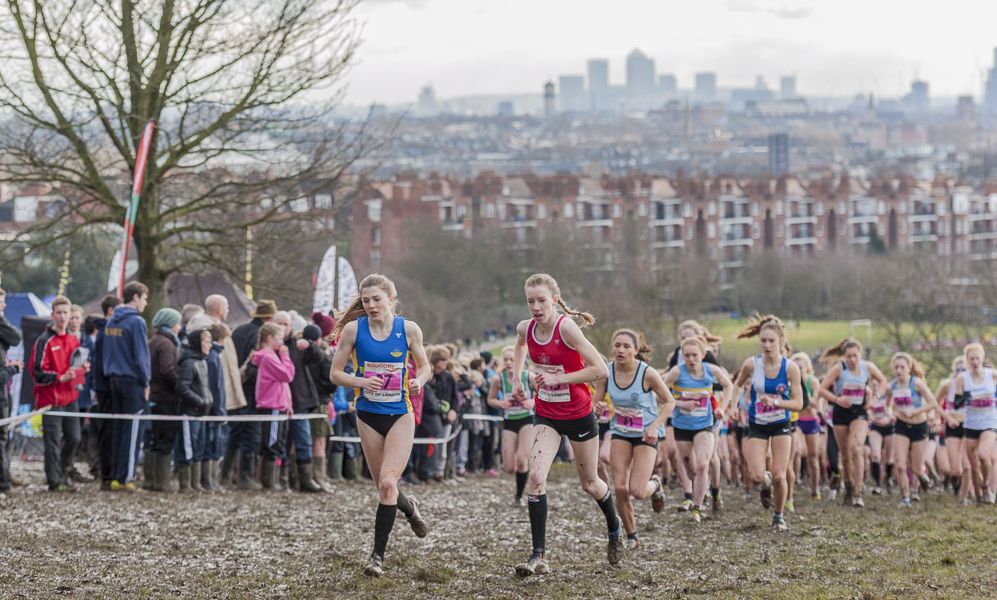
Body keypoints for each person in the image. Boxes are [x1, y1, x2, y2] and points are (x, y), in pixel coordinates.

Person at [508, 273, 619, 578]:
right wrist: (517, 377)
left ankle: (614, 527)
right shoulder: (525, 328)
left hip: (579, 415)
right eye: (530, 301)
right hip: (547, 415)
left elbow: (600, 369)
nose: (536, 307)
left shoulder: (566, 328)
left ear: (555, 300)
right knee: (536, 478)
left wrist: (560, 378)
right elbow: (519, 346)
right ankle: (538, 555)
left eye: (542, 300)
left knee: (590, 484)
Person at [329, 274, 431, 578]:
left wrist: (419, 381)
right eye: (366, 300)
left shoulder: (409, 330)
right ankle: (409, 508)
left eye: (377, 299)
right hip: (367, 413)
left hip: (400, 412)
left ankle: (376, 557)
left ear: (392, 298)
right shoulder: (353, 330)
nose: (371, 305)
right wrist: (361, 380)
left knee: (388, 483)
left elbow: (424, 366)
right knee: (384, 487)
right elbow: (336, 374)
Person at [595, 329, 675, 548]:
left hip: (646, 433)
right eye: (617, 345)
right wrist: (600, 407)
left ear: (636, 350)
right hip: (620, 431)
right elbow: (597, 405)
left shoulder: (647, 373)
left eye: (626, 346)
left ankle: (656, 484)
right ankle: (632, 536)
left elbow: (669, 402)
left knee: (637, 491)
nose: (620, 350)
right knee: (620, 488)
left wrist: (655, 426)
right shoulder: (606, 372)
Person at [733, 315, 804, 532]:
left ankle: (778, 515)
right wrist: (734, 406)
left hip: (781, 424)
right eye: (763, 340)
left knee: (780, 474)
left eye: (771, 341)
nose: (766, 345)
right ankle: (765, 484)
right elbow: (736, 386)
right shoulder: (751, 364)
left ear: (780, 341)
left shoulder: (790, 368)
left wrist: (775, 401)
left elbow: (799, 403)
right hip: (757, 424)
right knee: (756, 475)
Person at [662, 336, 733, 522]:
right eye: (687, 356)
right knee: (692, 469)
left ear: (703, 355)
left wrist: (722, 408)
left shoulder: (712, 370)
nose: (691, 359)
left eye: (694, 355)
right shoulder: (677, 372)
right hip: (682, 426)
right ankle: (704, 491)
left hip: (705, 425)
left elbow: (729, 386)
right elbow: (658, 394)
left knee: (703, 464)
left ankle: (697, 507)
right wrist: (679, 403)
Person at [818, 337, 888, 507]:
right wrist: (836, 398)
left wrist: (875, 398)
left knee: (857, 448)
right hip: (840, 412)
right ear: (843, 357)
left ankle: (858, 492)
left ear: (860, 355)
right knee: (846, 454)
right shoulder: (838, 369)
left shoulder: (868, 367)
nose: (852, 360)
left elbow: (883, 381)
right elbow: (821, 389)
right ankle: (848, 485)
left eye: (855, 356)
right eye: (849, 356)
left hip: (859, 412)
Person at [30, 296, 86, 492]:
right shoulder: (44, 340)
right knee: (52, 441)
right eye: (59, 313)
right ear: (53, 315)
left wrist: (81, 371)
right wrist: (58, 378)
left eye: (65, 313)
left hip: (70, 397)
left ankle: (64, 471)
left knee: (75, 437)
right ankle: (54, 480)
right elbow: (36, 372)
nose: (62, 317)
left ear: (70, 315)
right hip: (50, 399)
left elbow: (75, 366)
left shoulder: (72, 339)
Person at [103, 282, 151, 491]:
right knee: (132, 429)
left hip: (113, 378)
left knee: (119, 427)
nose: (146, 303)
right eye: (145, 298)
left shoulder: (111, 321)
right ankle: (127, 477)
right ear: (136, 297)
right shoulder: (136, 322)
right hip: (132, 380)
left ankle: (116, 475)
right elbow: (141, 355)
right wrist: (146, 380)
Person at [230, 299, 277, 490]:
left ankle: (227, 474)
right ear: (268, 318)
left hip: (237, 385)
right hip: (254, 389)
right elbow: (256, 365)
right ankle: (245, 476)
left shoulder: (239, 330)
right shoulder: (259, 335)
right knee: (252, 433)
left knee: (235, 432)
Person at [885, 352, 938, 507]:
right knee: (900, 464)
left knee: (916, 467)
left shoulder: (917, 383)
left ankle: (922, 475)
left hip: (919, 426)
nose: (899, 370)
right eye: (896, 367)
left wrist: (915, 412)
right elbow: (887, 406)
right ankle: (905, 498)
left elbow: (932, 403)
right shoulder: (891, 386)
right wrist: (891, 414)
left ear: (909, 368)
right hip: (901, 426)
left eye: (902, 367)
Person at [486, 345, 536, 505]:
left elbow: (544, 394)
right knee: (508, 467)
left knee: (522, 459)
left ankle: (519, 496)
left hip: (527, 420)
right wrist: (501, 403)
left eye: (512, 359)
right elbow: (490, 399)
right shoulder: (498, 379)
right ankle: (521, 483)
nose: (508, 363)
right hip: (509, 421)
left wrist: (532, 401)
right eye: (506, 360)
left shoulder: (529, 377)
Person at [252, 322, 294, 491]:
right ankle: (269, 481)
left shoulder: (272, 356)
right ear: (270, 338)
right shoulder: (269, 357)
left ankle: (274, 479)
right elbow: (287, 375)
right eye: (279, 339)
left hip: (280, 404)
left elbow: (283, 385)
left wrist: (289, 404)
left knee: (279, 442)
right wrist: (286, 356)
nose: (282, 343)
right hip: (272, 405)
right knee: (273, 442)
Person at [953, 343, 996, 504]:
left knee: (984, 454)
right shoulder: (962, 378)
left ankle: (986, 485)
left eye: (977, 358)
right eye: (971, 359)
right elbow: (957, 403)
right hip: (971, 424)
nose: (975, 361)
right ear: (967, 360)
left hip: (989, 422)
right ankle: (980, 495)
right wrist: (971, 397)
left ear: (982, 358)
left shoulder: (991, 375)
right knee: (973, 465)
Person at [146, 308, 183, 493]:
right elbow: (167, 370)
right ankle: (161, 481)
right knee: (165, 438)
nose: (180, 326)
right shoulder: (167, 344)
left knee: (155, 439)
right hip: (166, 397)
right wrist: (181, 385)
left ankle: (152, 479)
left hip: (156, 395)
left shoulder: (154, 341)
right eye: (177, 322)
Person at [176, 325, 214, 492]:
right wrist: (199, 401)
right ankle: (185, 484)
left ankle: (196, 483)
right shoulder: (189, 363)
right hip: (190, 413)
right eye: (207, 341)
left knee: (199, 446)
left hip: (202, 413)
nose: (210, 345)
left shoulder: (202, 362)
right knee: (187, 447)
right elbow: (182, 387)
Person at [90, 295, 122, 490]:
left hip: (106, 387)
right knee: (107, 431)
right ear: (111, 311)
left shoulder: (105, 332)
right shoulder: (105, 334)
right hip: (105, 388)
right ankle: (106, 474)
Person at [790, 352, 824, 500]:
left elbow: (817, 404)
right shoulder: (789, 382)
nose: (798, 370)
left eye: (801, 367)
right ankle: (795, 482)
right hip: (796, 420)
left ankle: (815, 488)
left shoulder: (814, 382)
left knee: (813, 457)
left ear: (807, 367)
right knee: (796, 451)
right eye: (795, 367)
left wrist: (804, 393)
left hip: (811, 420)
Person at [0, 288, 22, 493]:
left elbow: (15, 338)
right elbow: (15, 337)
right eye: (1, 302)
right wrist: (12, 369)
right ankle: (3, 481)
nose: (4, 306)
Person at [866, 379, 895, 495]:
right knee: (876, 456)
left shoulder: (889, 393)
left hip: (890, 427)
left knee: (889, 459)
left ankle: (888, 479)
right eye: (872, 385)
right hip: (876, 427)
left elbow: (894, 408)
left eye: (876, 384)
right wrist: (875, 419)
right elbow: (868, 411)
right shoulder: (869, 396)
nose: (874, 387)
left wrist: (890, 418)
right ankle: (877, 485)